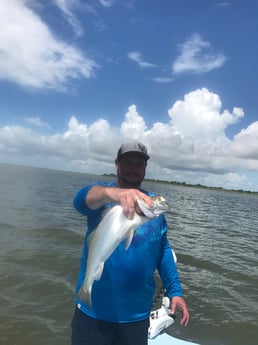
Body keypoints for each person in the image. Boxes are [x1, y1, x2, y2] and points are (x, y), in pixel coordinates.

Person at [71, 140, 189, 345]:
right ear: (117, 165)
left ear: (145, 168)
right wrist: (113, 194)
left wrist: (176, 291)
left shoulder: (152, 207)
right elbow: (80, 201)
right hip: (94, 314)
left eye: (139, 163)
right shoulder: (102, 194)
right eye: (128, 162)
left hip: (137, 318)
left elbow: (162, 249)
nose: (134, 168)